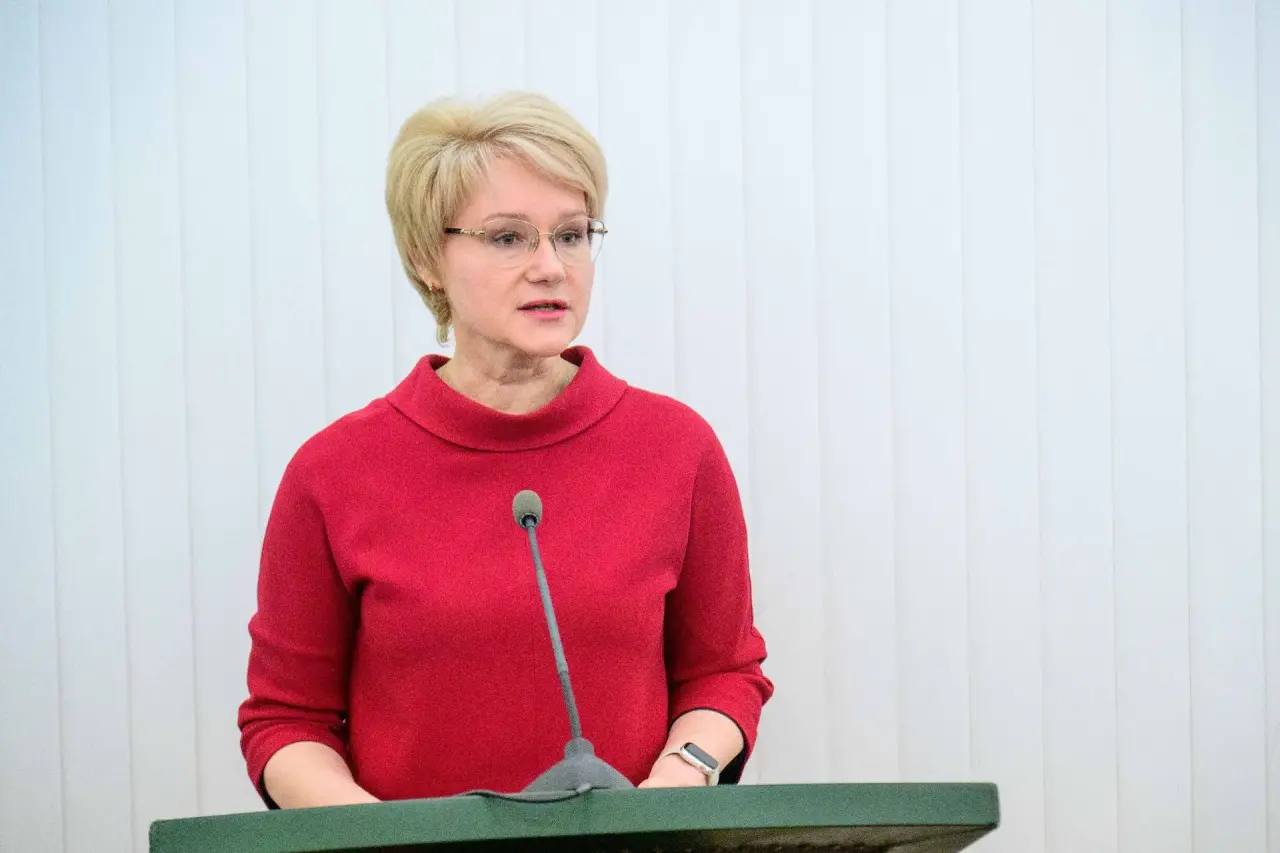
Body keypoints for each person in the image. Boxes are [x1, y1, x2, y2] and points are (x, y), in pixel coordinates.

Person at [237, 92, 773, 809]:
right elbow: (286, 721)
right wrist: (391, 843)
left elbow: (724, 673)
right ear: (427, 258)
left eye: (572, 235)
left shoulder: (677, 448)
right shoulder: (333, 472)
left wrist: (674, 785)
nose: (551, 266)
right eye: (508, 238)